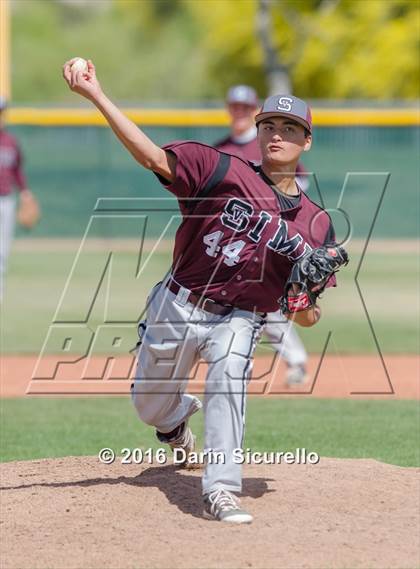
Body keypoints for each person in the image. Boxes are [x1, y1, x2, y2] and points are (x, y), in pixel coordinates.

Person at [62, 59, 340, 524]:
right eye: (269, 124)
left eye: (290, 128)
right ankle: (175, 425)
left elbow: (308, 316)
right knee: (149, 409)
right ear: (257, 129)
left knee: (230, 376)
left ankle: (222, 490)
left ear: (306, 141)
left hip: (240, 317)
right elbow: (152, 157)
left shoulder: (316, 223)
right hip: (178, 302)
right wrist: (97, 95)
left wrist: (299, 300)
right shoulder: (218, 169)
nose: (277, 135)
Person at [215, 85, 308, 386]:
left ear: (254, 111)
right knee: (232, 302)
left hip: (269, 236)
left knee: (269, 301)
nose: (239, 112)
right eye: (235, 107)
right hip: (233, 238)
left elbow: (300, 184)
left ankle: (295, 361)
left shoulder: (268, 144)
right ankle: (239, 361)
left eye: (246, 108)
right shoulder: (221, 148)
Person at [0, 97, 36, 302]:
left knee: (2, 248)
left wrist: (25, 191)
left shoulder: (10, 142)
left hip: (5, 200)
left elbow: (17, 170)